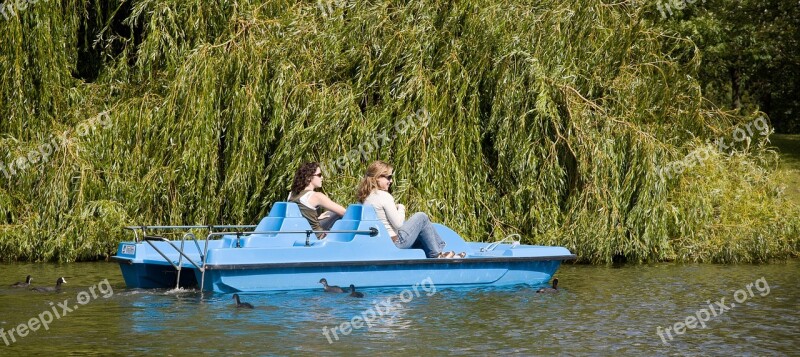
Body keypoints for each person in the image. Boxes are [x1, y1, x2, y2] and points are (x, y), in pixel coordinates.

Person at [357, 160, 463, 258]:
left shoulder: (366, 198)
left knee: (420, 231)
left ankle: (440, 251)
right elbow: (399, 224)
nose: (391, 181)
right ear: (377, 177)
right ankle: (436, 254)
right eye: (388, 177)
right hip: (395, 242)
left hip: (382, 243)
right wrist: (401, 208)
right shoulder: (384, 196)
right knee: (421, 217)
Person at [288, 162, 346, 238]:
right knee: (337, 213)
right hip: (318, 236)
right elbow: (344, 212)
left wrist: (317, 218)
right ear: (309, 177)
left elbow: (302, 216)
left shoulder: (291, 195)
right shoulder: (316, 196)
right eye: (319, 175)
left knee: (328, 213)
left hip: (301, 235)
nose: (322, 178)